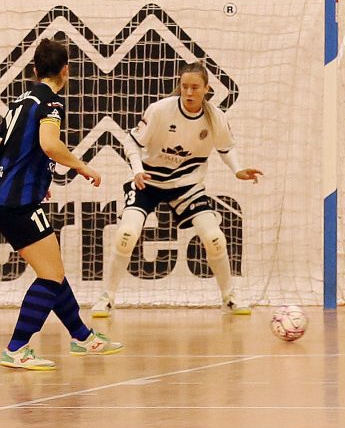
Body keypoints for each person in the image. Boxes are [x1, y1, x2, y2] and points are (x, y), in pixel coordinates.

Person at [0, 36, 121, 370]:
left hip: (3, 198)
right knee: (50, 276)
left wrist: (35, 177)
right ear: (66, 71)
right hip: (17, 203)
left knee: (54, 271)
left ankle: (83, 337)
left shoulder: (19, 102)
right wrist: (81, 165)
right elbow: (49, 143)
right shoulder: (50, 102)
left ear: (34, 69)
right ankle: (17, 347)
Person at [97, 62, 264, 317]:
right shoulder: (160, 110)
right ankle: (106, 298)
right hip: (149, 181)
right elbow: (131, 142)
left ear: (206, 89)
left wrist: (237, 170)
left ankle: (229, 297)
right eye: (184, 86)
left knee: (214, 237)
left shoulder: (215, 117)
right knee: (127, 234)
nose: (188, 92)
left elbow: (226, 148)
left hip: (186, 184)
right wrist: (136, 170)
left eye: (195, 87)